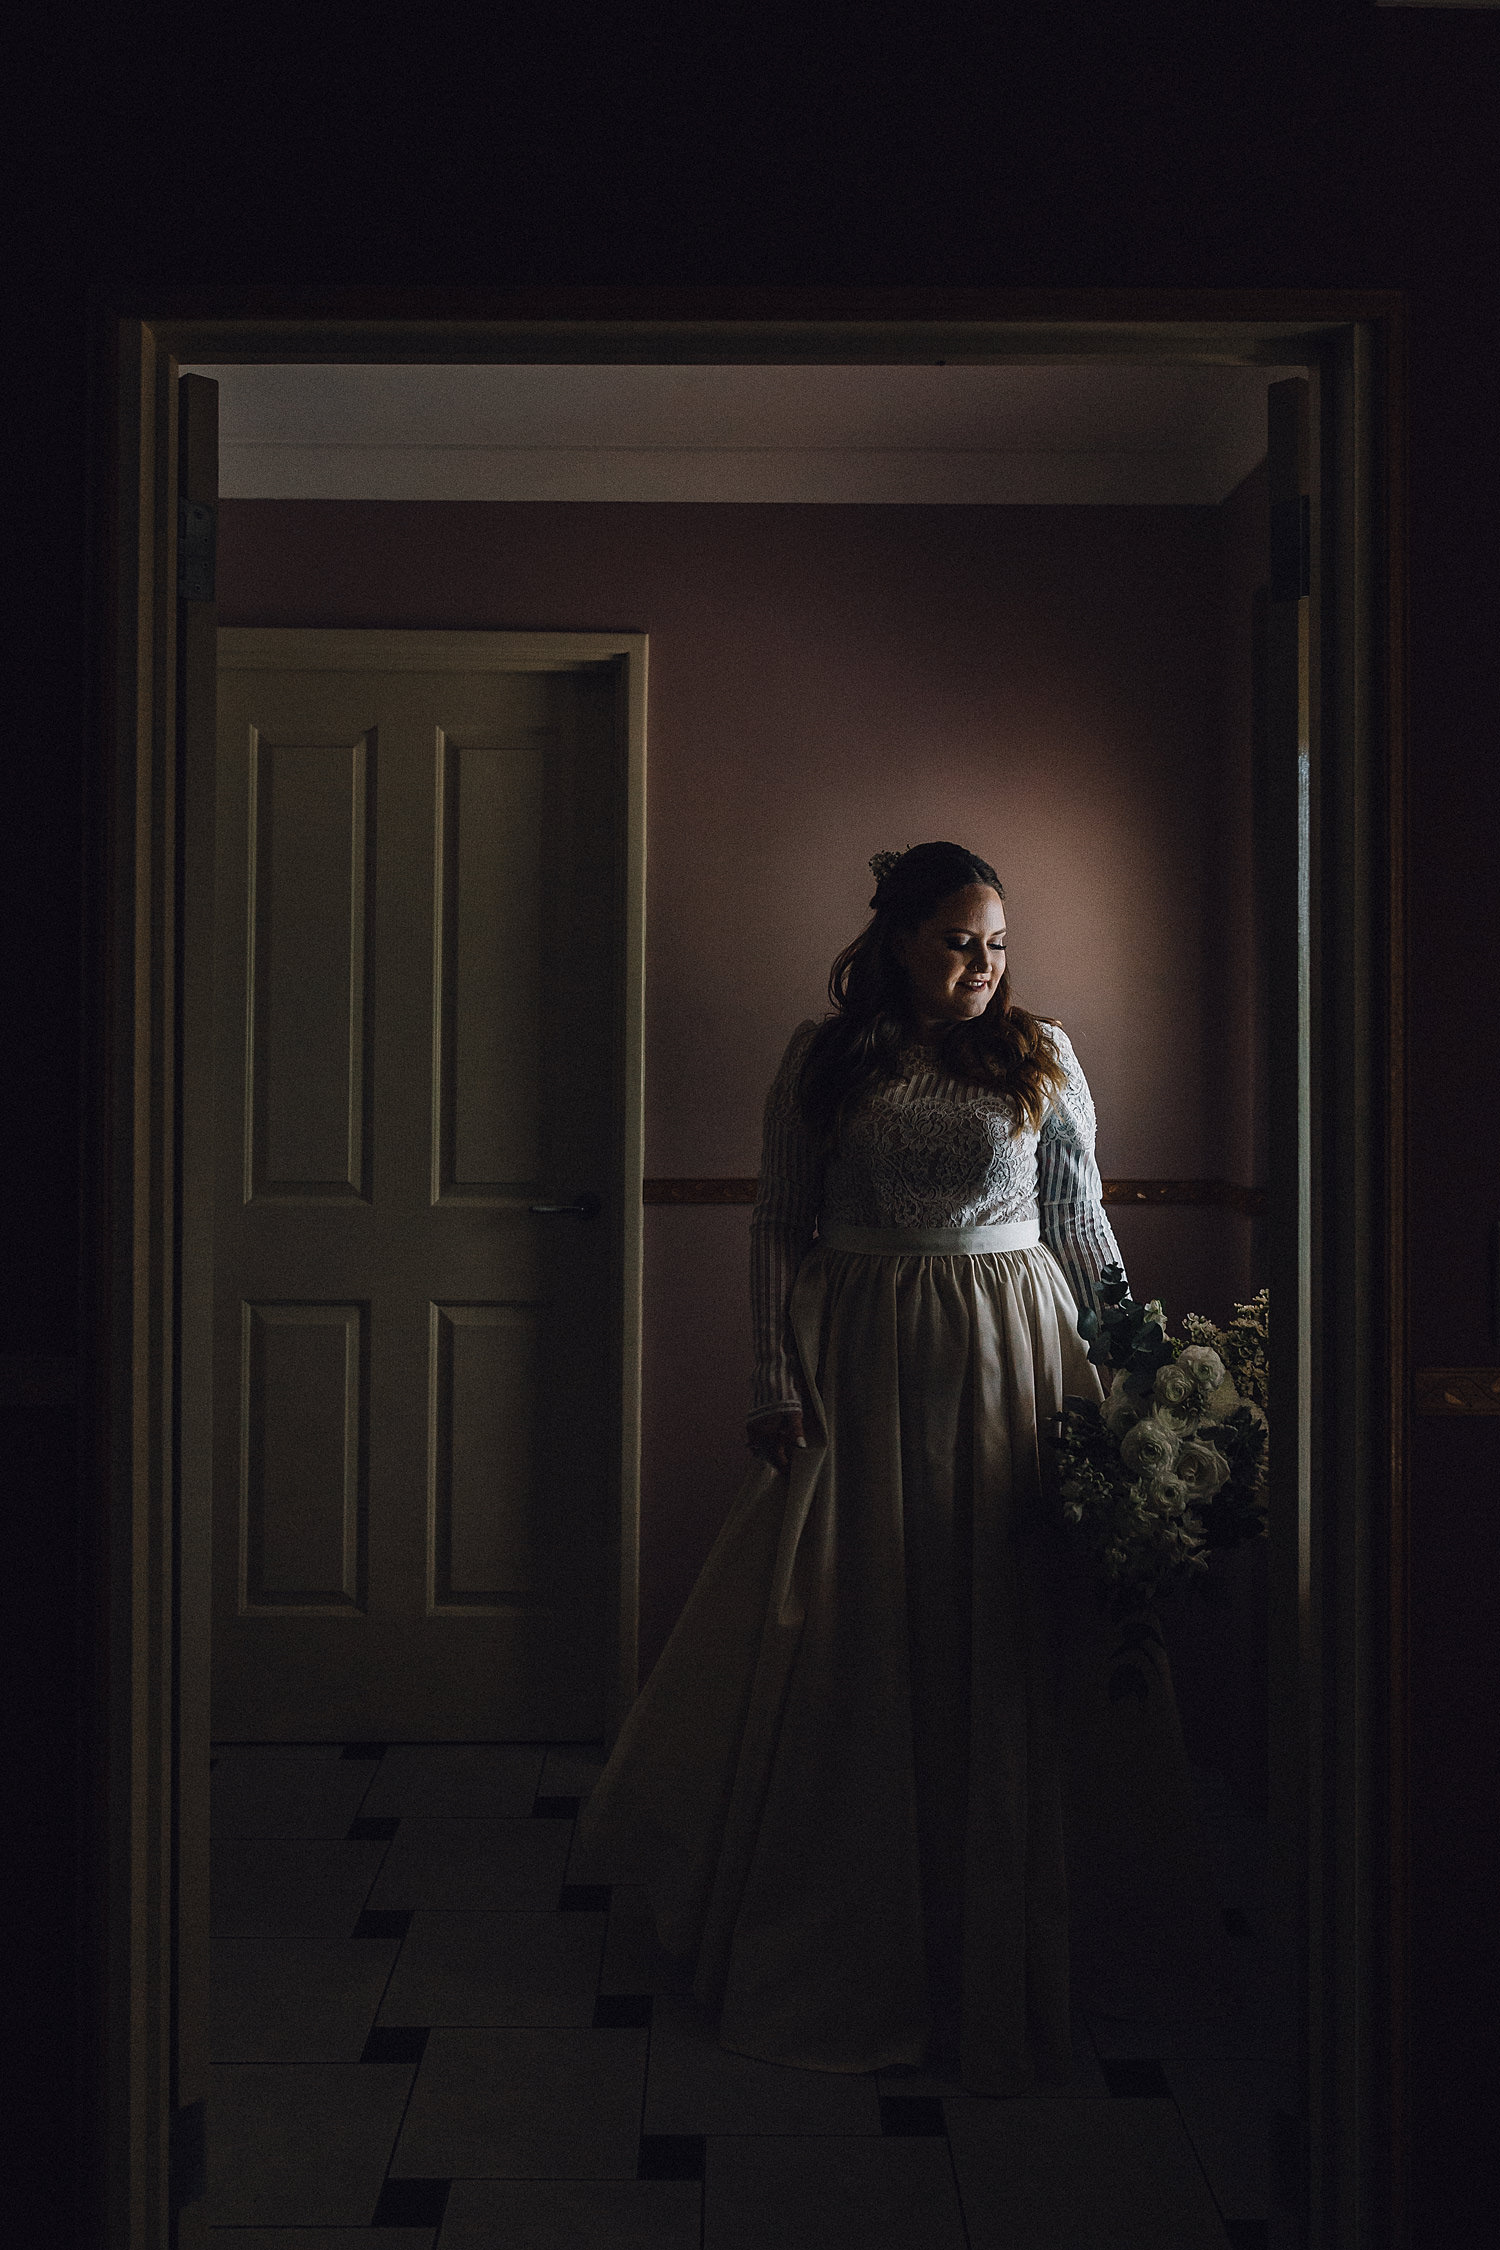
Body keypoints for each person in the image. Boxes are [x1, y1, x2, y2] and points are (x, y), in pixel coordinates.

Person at [575, 841, 1131, 2094]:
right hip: (863, 1351)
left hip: (1011, 1350)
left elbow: (1082, 1217)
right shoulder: (825, 1059)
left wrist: (1134, 1363)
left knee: (1000, 1612)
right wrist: (773, 1379)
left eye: (994, 943)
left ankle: (1007, 1935)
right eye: (956, 941)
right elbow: (779, 1217)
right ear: (895, 941)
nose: (982, 966)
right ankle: (842, 1929)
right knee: (852, 1622)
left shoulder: (1043, 1056)